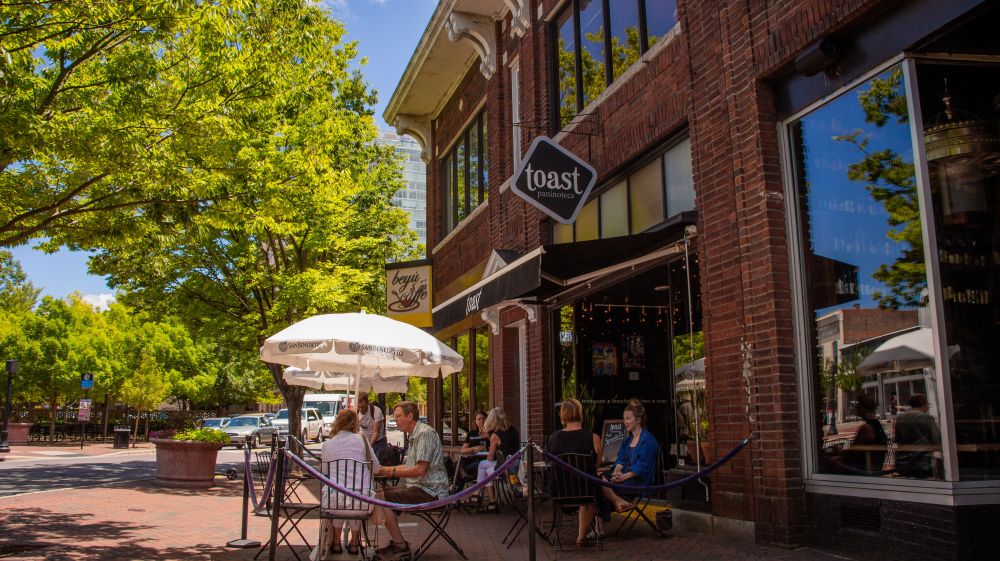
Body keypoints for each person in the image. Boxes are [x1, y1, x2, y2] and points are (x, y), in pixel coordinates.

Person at [372, 401, 449, 561]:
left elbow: (420, 470)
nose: (396, 420)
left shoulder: (425, 434)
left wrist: (390, 472)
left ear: (410, 416)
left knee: (382, 498)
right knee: (378, 494)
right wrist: (385, 470)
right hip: (420, 487)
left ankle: (400, 546)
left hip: (431, 492)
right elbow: (409, 466)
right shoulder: (414, 435)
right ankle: (398, 544)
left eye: (399, 416)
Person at [315, 408, 380, 558]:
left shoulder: (327, 444)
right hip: (363, 503)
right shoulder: (362, 440)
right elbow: (375, 468)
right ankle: (355, 542)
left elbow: (324, 471)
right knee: (355, 499)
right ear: (355, 423)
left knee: (340, 496)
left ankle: (336, 542)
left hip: (333, 503)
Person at [546, 398, 601, 548]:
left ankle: (581, 536)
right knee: (595, 488)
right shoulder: (593, 438)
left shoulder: (553, 438)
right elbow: (595, 468)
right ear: (580, 413)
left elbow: (549, 465)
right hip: (586, 493)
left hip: (559, 492)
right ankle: (581, 536)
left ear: (563, 415)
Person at [598, 399, 657, 523]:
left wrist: (622, 477)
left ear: (638, 420)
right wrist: (617, 470)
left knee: (601, 486)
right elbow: (621, 458)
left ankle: (601, 525)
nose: (625, 422)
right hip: (625, 475)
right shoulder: (628, 440)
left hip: (639, 481)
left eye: (628, 418)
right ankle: (616, 504)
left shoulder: (648, 440)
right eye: (624, 419)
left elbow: (642, 467)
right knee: (598, 477)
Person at [475, 407, 519, 512]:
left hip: (504, 471)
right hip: (515, 465)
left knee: (483, 465)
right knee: (485, 469)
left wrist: (490, 441)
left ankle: (477, 495)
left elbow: (490, 457)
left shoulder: (495, 435)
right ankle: (490, 502)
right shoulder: (514, 430)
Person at [894, 394, 941, 479]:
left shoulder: (900, 418)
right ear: (923, 404)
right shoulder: (928, 418)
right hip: (923, 463)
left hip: (902, 462)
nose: (928, 407)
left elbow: (897, 439)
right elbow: (937, 439)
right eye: (927, 404)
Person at [842, 393, 888, 475]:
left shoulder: (866, 428)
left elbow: (851, 452)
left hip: (861, 469)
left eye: (858, 405)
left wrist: (839, 450)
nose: (855, 408)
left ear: (863, 408)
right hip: (874, 467)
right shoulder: (877, 425)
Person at [458, 409, 488, 479]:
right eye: (479, 419)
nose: (481, 421)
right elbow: (462, 450)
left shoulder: (490, 432)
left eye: (483, 419)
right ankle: (460, 479)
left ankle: (458, 484)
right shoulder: (472, 433)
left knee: (462, 475)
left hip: (485, 460)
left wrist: (488, 436)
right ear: (476, 421)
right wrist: (474, 448)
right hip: (473, 459)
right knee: (461, 464)